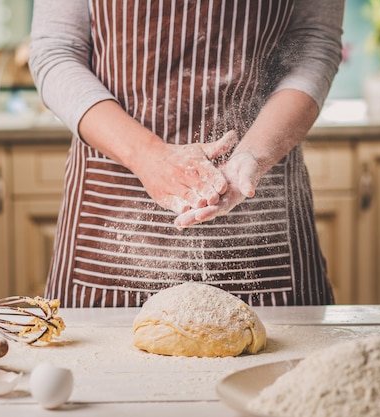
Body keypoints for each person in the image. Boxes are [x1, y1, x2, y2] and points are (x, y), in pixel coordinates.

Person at [29, 0, 345, 308]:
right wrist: (147, 155)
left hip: (260, 208)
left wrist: (255, 155)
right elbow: (56, 52)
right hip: (111, 213)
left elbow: (313, 46)